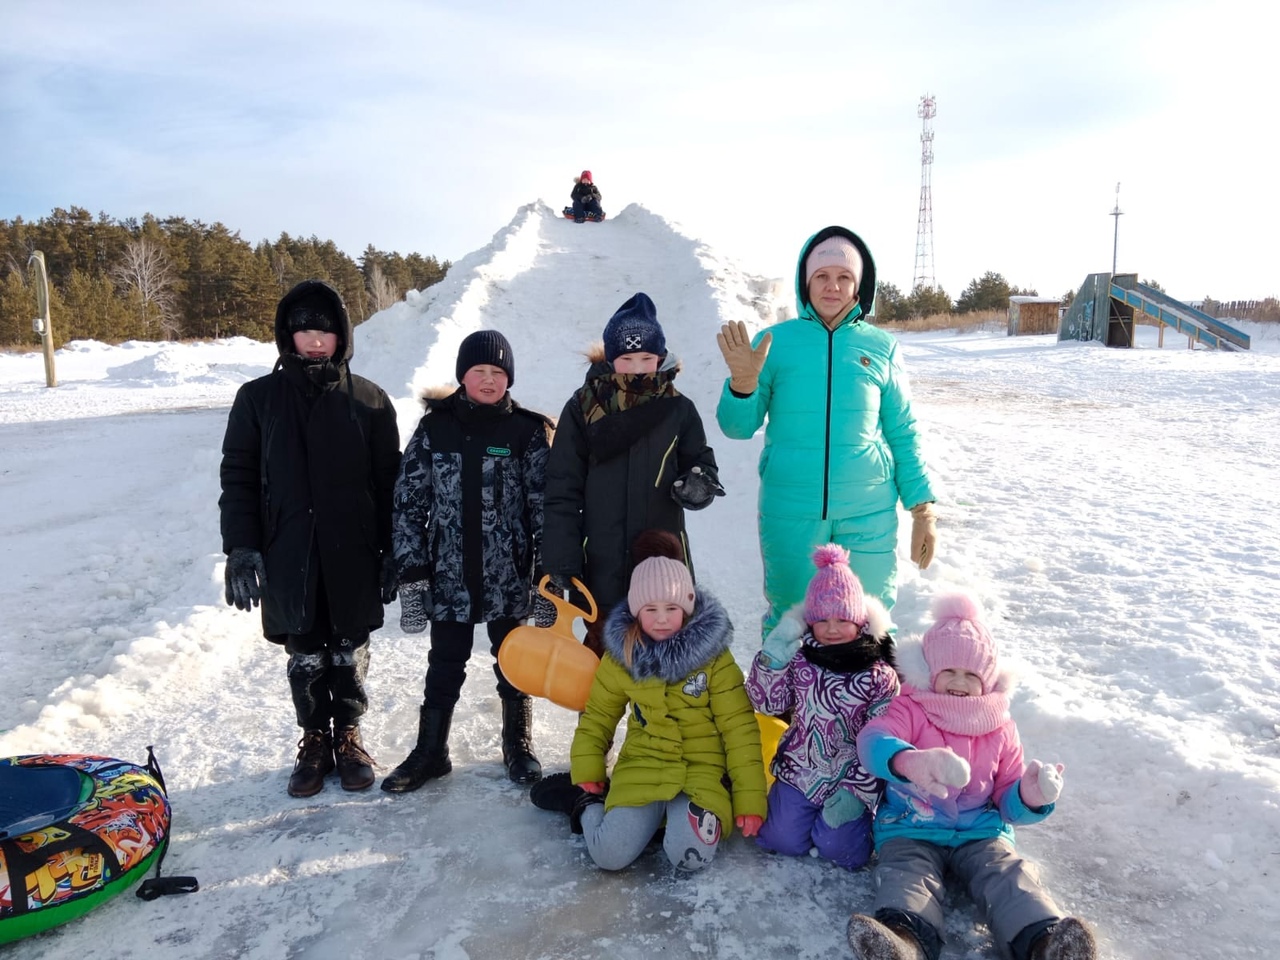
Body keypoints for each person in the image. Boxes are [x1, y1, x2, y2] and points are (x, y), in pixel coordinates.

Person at [220, 279, 401, 798]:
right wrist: (241, 545)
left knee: (348, 645)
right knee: (303, 647)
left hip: (354, 549)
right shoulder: (257, 399)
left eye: (325, 329)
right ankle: (313, 739)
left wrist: (395, 550)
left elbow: (391, 482)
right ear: (288, 336)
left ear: (342, 336)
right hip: (288, 548)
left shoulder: (369, 399)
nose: (315, 339)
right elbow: (238, 475)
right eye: (304, 330)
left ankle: (348, 734)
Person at [715, 226, 938, 640]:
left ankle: (870, 704)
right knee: (791, 619)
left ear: (859, 285)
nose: (832, 286)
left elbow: (903, 431)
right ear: (806, 282)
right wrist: (742, 388)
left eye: (843, 277)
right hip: (791, 508)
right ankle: (781, 705)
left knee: (869, 619)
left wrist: (921, 507)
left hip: (868, 510)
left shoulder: (882, 347)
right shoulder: (773, 343)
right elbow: (736, 428)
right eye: (822, 276)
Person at [847, 594, 1097, 960]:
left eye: (971, 674)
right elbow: (871, 741)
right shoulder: (910, 707)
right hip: (909, 826)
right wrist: (907, 760)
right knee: (906, 875)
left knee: (1008, 875)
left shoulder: (1000, 726)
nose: (958, 682)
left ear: (988, 679)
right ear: (929, 671)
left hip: (981, 831)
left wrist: (1029, 795)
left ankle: (1046, 943)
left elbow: (1008, 801)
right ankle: (904, 942)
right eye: (948, 671)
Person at [381, 330, 554, 792]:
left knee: (513, 662)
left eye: (499, 372)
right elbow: (409, 502)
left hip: (508, 577)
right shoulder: (436, 426)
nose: (490, 380)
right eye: (480, 371)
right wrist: (413, 571)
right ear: (463, 375)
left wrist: (546, 575)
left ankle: (518, 744)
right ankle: (431, 751)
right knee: (445, 661)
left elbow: (545, 507)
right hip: (449, 576)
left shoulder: (527, 431)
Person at [529, 552, 767, 873]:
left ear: (687, 607)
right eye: (650, 610)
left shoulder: (714, 659)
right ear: (635, 611)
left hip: (700, 772)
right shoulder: (622, 656)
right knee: (608, 855)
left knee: (689, 855)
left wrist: (749, 798)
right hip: (644, 766)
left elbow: (739, 728)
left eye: (672, 609)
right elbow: (599, 716)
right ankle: (582, 804)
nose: (662, 619)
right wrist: (588, 769)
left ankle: (669, 823)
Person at [542, 291, 724, 655]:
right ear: (611, 359)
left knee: (662, 675)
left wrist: (698, 484)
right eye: (627, 358)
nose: (638, 367)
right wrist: (562, 560)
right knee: (599, 673)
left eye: (646, 358)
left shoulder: (679, 409)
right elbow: (562, 488)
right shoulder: (582, 408)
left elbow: (701, 463)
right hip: (601, 562)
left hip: (662, 568)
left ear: (659, 358)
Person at [745, 543, 898, 871]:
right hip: (800, 770)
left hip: (850, 777)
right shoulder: (800, 660)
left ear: (859, 620)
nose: (831, 628)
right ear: (809, 621)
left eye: (842, 618)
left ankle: (842, 828)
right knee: (780, 840)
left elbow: (882, 737)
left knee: (841, 850)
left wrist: (858, 791)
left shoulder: (878, 674)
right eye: (822, 619)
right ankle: (803, 821)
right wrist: (771, 662)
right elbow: (768, 703)